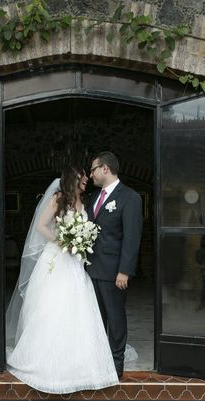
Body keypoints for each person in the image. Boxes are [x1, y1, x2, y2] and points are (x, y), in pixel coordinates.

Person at [6, 166, 119, 394]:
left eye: (87, 177)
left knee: (78, 309)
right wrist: (62, 241)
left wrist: (80, 242)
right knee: (53, 308)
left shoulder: (84, 202)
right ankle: (46, 362)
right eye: (82, 177)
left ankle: (79, 363)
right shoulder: (59, 199)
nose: (86, 180)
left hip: (76, 263)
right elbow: (40, 225)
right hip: (57, 260)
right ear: (72, 179)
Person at [86, 152, 143, 378]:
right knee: (97, 318)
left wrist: (124, 271)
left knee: (115, 318)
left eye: (93, 170)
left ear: (105, 169)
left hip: (114, 272)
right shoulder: (94, 197)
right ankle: (99, 361)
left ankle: (116, 364)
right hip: (92, 270)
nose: (90, 174)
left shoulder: (130, 197)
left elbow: (132, 237)